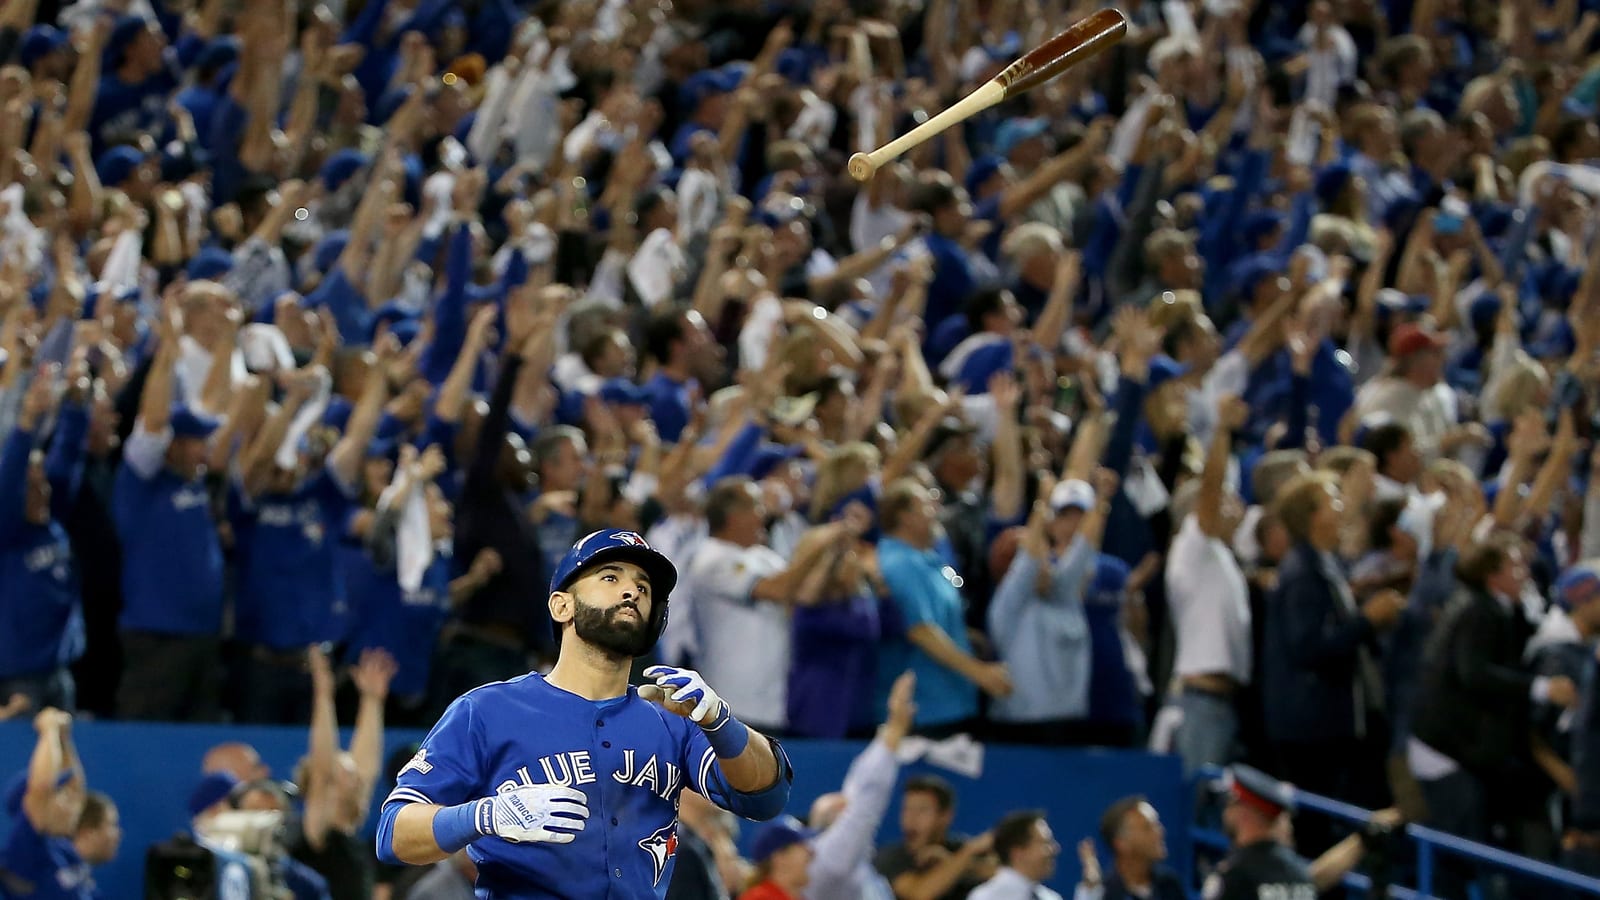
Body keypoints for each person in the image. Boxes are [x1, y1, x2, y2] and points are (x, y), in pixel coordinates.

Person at [375, 529, 794, 898]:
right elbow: (394, 833)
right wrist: (484, 815)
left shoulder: (672, 718)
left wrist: (722, 723)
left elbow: (765, 797)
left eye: (643, 587)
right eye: (610, 577)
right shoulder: (486, 710)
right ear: (561, 606)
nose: (631, 592)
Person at [1202, 765, 1400, 900]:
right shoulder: (1296, 873)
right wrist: (1361, 841)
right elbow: (1318, 877)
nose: (1225, 811)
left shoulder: (1235, 876)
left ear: (1245, 813)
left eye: (1230, 804)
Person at [0, 708, 96, 899]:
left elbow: (76, 789)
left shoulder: (61, 844)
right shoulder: (25, 848)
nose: (71, 800)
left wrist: (64, 738)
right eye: (60, 794)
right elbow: (41, 788)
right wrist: (49, 730)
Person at [873, 774, 996, 900]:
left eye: (922, 810)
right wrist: (965, 854)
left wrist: (951, 862)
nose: (911, 819)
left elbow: (1002, 874)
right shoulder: (889, 858)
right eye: (907, 809)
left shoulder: (958, 848)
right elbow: (919, 894)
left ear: (945, 816)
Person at [1075, 796, 1184, 900]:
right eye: (1147, 828)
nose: (1160, 832)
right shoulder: (1104, 895)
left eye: (1157, 825)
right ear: (1121, 843)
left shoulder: (1170, 886)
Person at [969, 810, 1063, 900]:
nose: (1055, 849)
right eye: (1045, 843)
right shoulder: (986, 897)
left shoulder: (1051, 897)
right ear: (1017, 852)